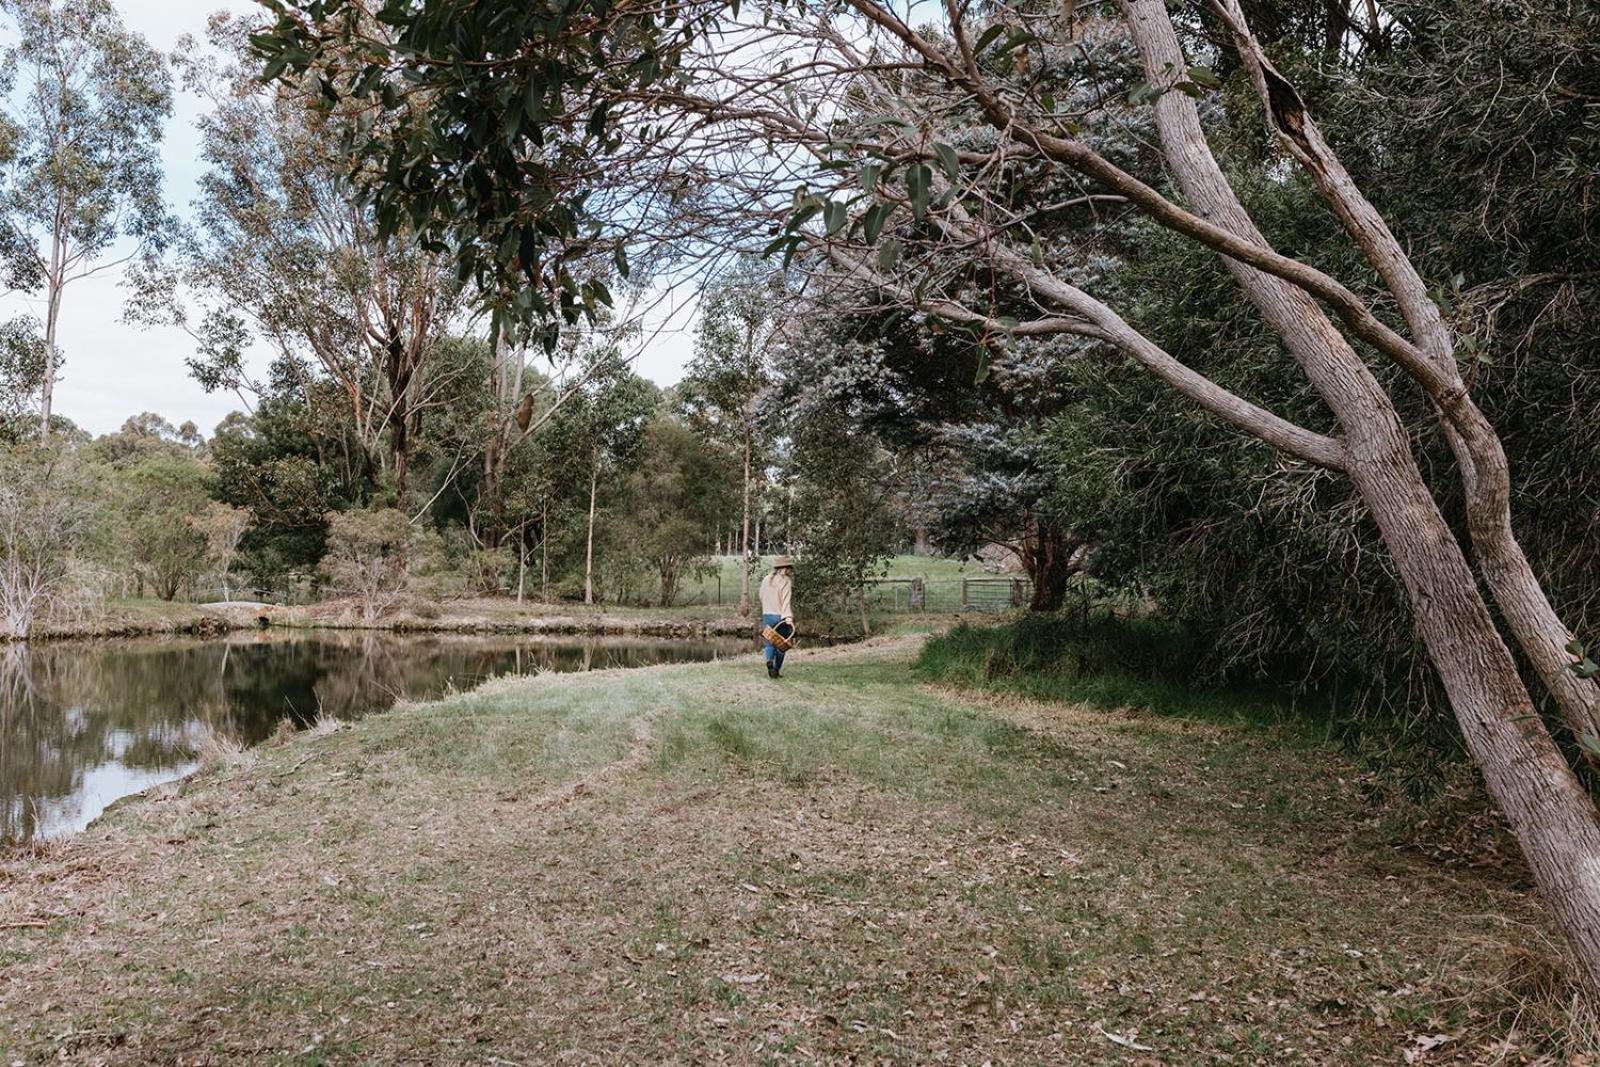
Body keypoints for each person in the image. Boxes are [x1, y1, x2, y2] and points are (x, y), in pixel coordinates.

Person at [759, 556, 795, 679]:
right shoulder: (786, 581)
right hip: (780, 617)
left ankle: (769, 660)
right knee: (781, 646)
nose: (791, 571)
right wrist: (788, 617)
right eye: (789, 568)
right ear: (785, 569)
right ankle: (776, 670)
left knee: (770, 643)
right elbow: (786, 601)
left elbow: (761, 596)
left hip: (767, 615)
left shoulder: (766, 579)